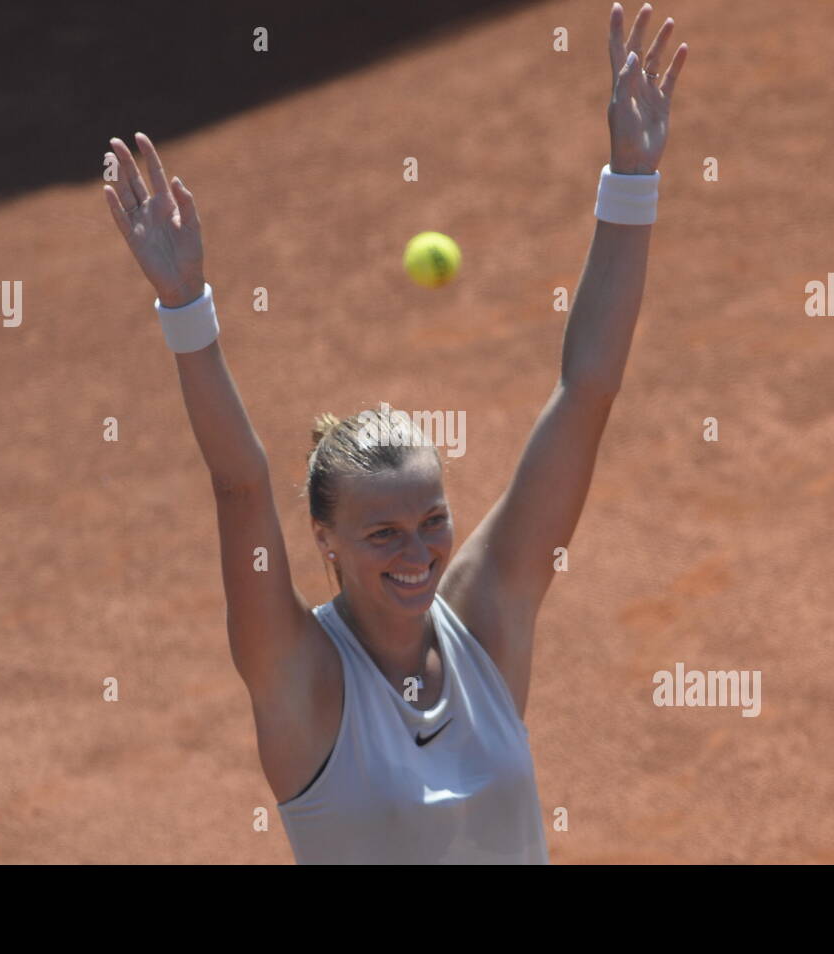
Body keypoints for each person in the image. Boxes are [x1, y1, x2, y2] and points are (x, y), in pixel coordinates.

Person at [101, 1, 687, 864]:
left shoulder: (488, 618)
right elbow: (240, 483)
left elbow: (585, 393)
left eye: (431, 521)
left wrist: (631, 179)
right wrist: (186, 307)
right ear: (325, 541)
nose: (418, 553)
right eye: (383, 532)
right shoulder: (301, 680)